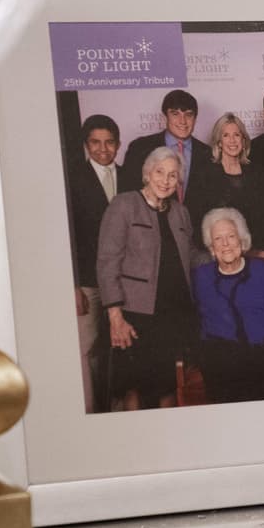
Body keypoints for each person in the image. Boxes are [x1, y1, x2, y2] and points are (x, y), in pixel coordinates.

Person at [97, 146, 195, 410]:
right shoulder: (124, 204)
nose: (165, 180)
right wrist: (115, 318)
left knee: (167, 385)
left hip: (173, 315)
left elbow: (192, 257)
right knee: (133, 388)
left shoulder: (180, 212)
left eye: (173, 175)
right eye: (160, 172)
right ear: (147, 174)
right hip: (134, 315)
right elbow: (107, 262)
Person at [192, 208, 264, 403]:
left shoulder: (260, 271)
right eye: (218, 239)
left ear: (242, 240)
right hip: (220, 356)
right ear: (211, 248)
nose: (225, 244)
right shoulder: (202, 276)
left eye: (231, 236)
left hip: (260, 353)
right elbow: (193, 319)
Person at [65, 113, 121, 413]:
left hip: (123, 281)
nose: (103, 149)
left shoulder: (132, 175)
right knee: (86, 350)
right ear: (87, 145)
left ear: (118, 144)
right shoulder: (72, 179)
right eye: (96, 143)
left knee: (119, 349)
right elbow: (67, 234)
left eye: (109, 142)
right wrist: (72, 283)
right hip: (86, 280)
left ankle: (115, 409)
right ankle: (90, 412)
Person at [200, 112, 264, 254]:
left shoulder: (258, 172)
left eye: (237, 135)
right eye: (226, 135)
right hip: (223, 253)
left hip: (258, 249)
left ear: (243, 140)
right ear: (219, 142)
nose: (232, 140)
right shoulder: (206, 174)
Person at [118, 90, 212, 211]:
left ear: (195, 119)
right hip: (150, 226)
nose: (182, 121)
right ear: (164, 117)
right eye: (175, 114)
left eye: (188, 115)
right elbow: (128, 193)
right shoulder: (140, 147)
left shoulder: (207, 153)